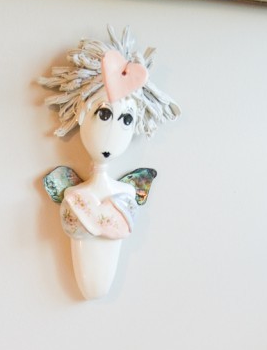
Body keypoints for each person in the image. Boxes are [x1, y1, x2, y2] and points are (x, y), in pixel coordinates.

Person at [40, 26, 180, 299]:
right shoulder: (75, 195)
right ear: (80, 113)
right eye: (103, 115)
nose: (112, 132)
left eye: (126, 120)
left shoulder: (125, 193)